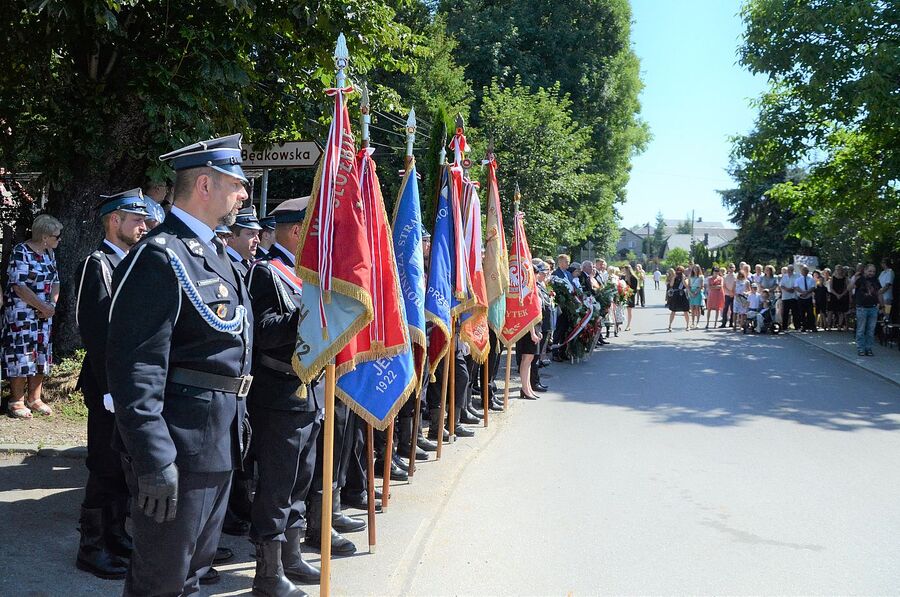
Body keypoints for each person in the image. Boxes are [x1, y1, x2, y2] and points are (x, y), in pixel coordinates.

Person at [106, 134, 254, 596]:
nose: (244, 194)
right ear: (205, 184)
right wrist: (155, 459)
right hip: (178, 448)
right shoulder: (161, 254)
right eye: (236, 184)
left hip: (217, 441)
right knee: (160, 580)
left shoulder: (214, 254)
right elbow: (136, 370)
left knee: (190, 575)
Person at [244, 196, 331, 593]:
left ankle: (292, 557)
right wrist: (306, 312)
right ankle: (267, 572)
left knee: (300, 480)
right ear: (297, 231)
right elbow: (264, 332)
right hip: (277, 393)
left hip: (306, 391)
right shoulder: (267, 273)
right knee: (277, 486)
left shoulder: (302, 274)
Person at [74, 190, 148, 579]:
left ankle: (116, 535)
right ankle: (91, 545)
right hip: (107, 385)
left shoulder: (131, 262)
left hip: (128, 383)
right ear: (113, 221)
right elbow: (95, 330)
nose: (143, 226)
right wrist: (107, 388)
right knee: (103, 465)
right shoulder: (97, 264)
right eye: (136, 219)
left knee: (122, 464)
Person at [3, 214, 62, 418]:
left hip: (44, 313)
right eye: (56, 236)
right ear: (45, 236)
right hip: (22, 313)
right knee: (22, 354)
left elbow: (56, 281)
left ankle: (35, 398)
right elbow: (18, 286)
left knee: (41, 353)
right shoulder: (21, 251)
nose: (59, 239)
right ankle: (16, 400)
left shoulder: (49, 253)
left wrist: (50, 305)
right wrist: (41, 306)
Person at [850, 264, 882, 356]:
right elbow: (849, 288)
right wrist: (854, 278)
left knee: (871, 330)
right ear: (865, 270)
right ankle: (860, 348)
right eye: (870, 271)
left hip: (873, 307)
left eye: (873, 271)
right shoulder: (859, 279)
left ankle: (868, 348)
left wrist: (882, 306)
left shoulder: (875, 280)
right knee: (861, 329)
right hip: (862, 308)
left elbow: (879, 293)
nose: (872, 273)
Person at [227, 206, 262, 276]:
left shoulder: (253, 263)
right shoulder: (225, 264)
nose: (257, 241)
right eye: (251, 234)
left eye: (257, 234)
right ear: (232, 236)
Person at [666, 266, 690, 331]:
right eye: (678, 270)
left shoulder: (685, 278)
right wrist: (674, 277)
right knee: (673, 311)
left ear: (683, 271)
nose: (679, 272)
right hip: (676, 295)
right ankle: (670, 325)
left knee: (686, 311)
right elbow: (671, 285)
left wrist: (683, 279)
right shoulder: (674, 277)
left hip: (683, 295)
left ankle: (688, 325)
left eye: (680, 271)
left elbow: (686, 286)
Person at [829, 265, 850, 330]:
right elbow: (831, 288)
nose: (838, 271)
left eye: (839, 269)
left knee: (841, 311)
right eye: (837, 269)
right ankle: (829, 325)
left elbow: (847, 288)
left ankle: (839, 325)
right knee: (831, 311)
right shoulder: (832, 278)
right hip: (834, 295)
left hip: (842, 295)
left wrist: (841, 294)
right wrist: (836, 294)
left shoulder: (845, 278)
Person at [795, 265, 816, 331]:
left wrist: (807, 292)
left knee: (810, 313)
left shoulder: (811, 279)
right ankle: (803, 326)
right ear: (801, 272)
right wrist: (803, 292)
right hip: (801, 298)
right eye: (803, 270)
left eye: (806, 270)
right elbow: (796, 287)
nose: (805, 272)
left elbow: (813, 287)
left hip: (808, 298)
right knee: (801, 313)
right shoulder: (798, 279)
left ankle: (812, 326)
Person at [780, 264, 798, 331]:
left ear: (793, 270)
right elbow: (781, 285)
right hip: (785, 297)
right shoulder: (784, 276)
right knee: (785, 312)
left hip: (793, 296)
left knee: (795, 312)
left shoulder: (796, 276)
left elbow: (797, 284)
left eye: (791, 270)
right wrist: (787, 289)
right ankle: (784, 327)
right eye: (788, 269)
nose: (789, 271)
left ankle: (796, 326)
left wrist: (792, 289)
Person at [687, 264, 704, 329]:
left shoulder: (701, 276)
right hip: (691, 292)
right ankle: (692, 323)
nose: (695, 270)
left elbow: (701, 286)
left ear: (698, 269)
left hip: (698, 292)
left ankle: (697, 323)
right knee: (692, 308)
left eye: (697, 269)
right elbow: (688, 286)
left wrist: (696, 292)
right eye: (694, 268)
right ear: (693, 269)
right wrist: (691, 293)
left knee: (697, 308)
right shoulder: (690, 276)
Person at [622, 264, 638, 331]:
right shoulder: (623, 277)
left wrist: (628, 292)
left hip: (630, 296)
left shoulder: (634, 278)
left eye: (625, 270)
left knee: (629, 311)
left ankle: (628, 325)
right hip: (622, 295)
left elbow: (635, 289)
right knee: (621, 311)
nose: (624, 271)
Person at [720, 263, 736, 329]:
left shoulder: (736, 276)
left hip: (734, 295)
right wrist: (730, 292)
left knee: (733, 309)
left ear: (735, 268)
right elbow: (723, 286)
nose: (731, 268)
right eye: (730, 267)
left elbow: (736, 285)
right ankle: (723, 323)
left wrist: (732, 292)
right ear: (728, 268)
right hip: (727, 294)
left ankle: (731, 323)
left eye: (732, 267)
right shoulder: (725, 276)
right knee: (725, 309)